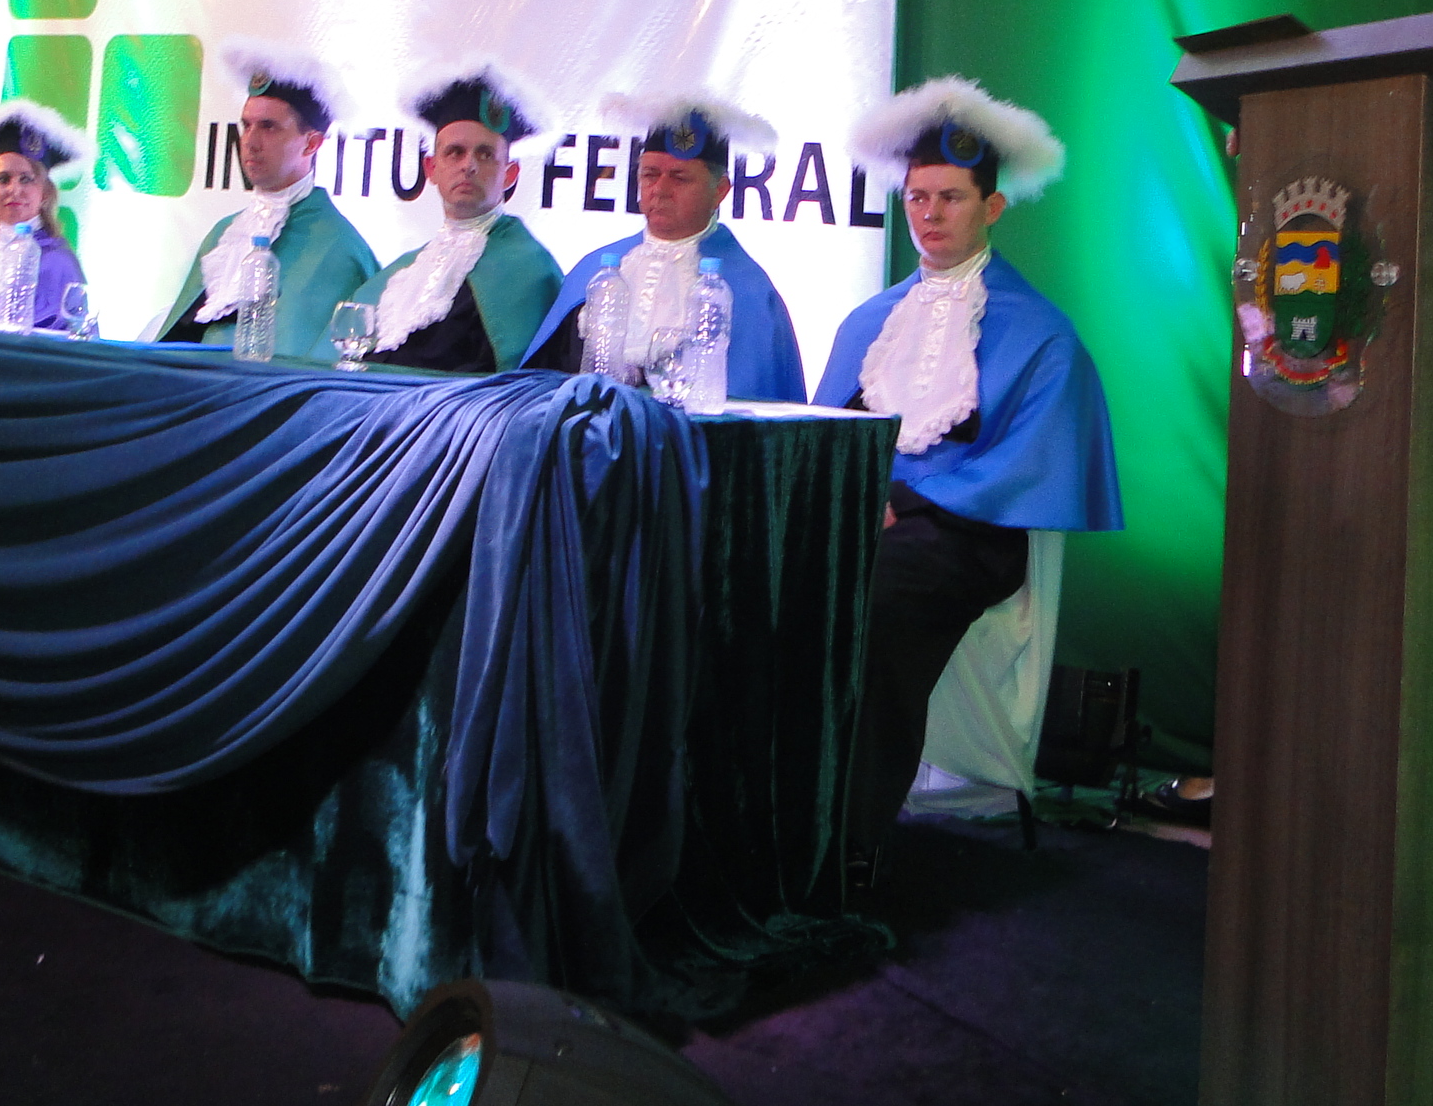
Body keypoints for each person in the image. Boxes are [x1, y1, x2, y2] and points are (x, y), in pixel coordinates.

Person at [815, 77, 1120, 884]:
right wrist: (857, 503)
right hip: (872, 522)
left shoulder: (1043, 334)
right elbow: (825, 439)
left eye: (950, 197)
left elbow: (1028, 466)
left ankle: (847, 844)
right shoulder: (868, 323)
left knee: (876, 601)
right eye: (918, 197)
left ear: (993, 207)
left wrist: (906, 503)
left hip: (968, 537)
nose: (930, 214)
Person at [522, 88, 806, 400]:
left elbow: (762, 409)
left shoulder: (750, 292)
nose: (660, 189)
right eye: (650, 174)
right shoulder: (592, 270)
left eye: (679, 178)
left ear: (720, 191)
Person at [157, 38, 380, 359]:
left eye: (269, 127)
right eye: (246, 125)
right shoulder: (223, 234)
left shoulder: (339, 249)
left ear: (311, 144)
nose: (250, 141)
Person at [353, 64, 563, 374]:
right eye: (455, 152)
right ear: (431, 169)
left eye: (485, 154)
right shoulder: (403, 271)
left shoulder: (530, 270)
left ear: (510, 174)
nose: (468, 166)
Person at [0, 99, 91, 331]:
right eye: (3, 179)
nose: (14, 190)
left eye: (26, 179)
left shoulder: (58, 262)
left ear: (45, 193)